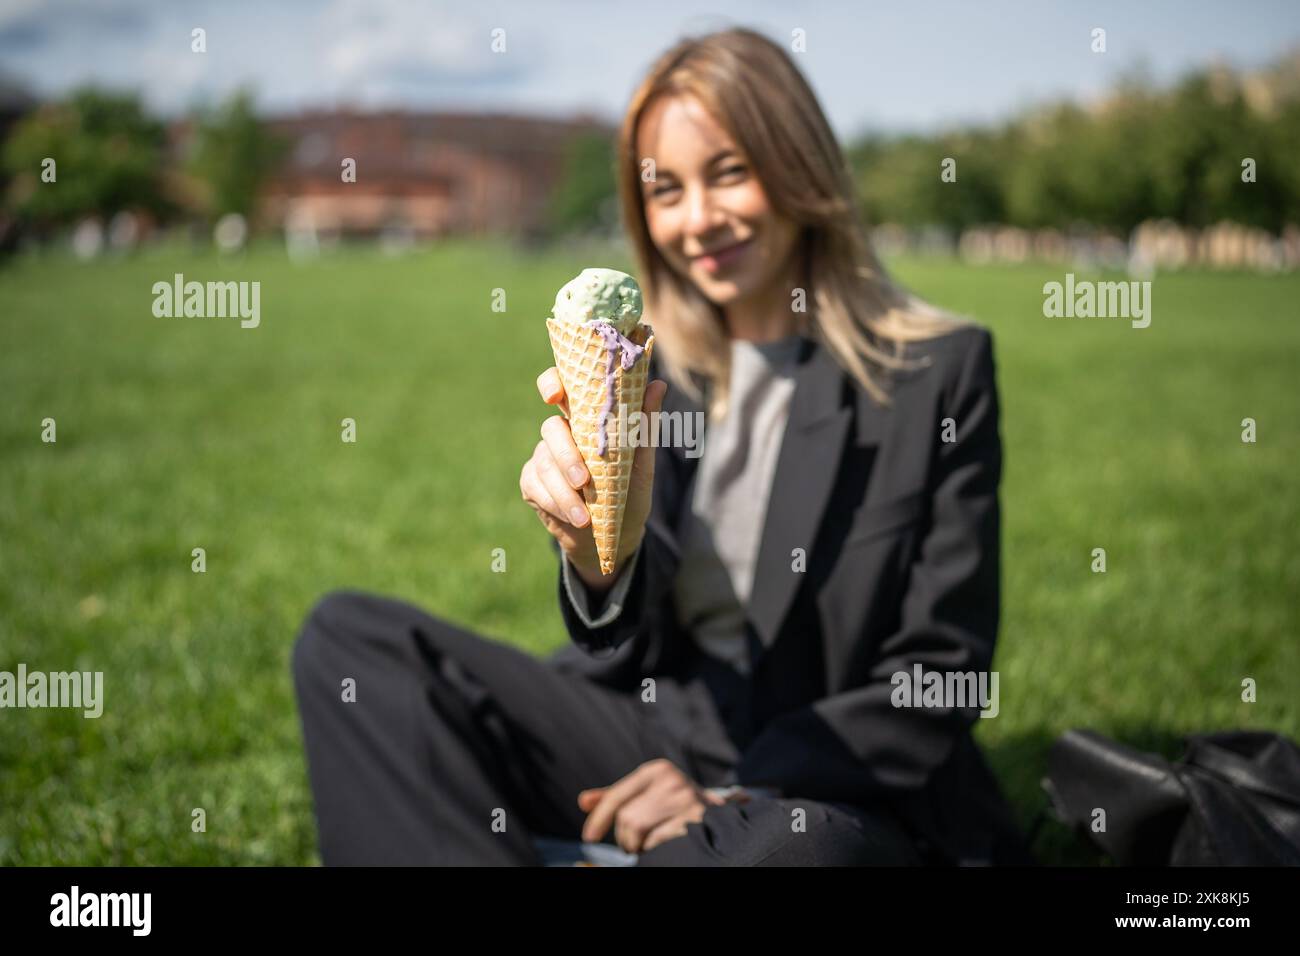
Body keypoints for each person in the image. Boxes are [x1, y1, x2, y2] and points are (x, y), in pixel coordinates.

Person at [292, 26, 1033, 866]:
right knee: (349, 640)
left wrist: (740, 790)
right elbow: (631, 643)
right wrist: (597, 562)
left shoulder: (938, 371)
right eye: (665, 189)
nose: (698, 220)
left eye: (729, 173)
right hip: (660, 725)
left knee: (791, 854)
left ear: (799, 167)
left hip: (833, 781)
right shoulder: (649, 369)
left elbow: (939, 671)